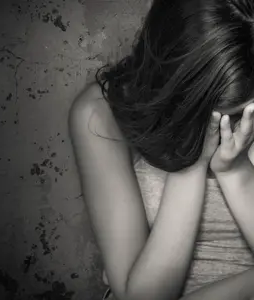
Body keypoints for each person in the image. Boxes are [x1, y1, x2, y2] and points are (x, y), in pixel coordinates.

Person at [68, 0, 254, 299]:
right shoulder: (100, 115)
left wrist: (236, 170)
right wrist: (190, 161)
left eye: (241, 112)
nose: (228, 126)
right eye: (219, 114)